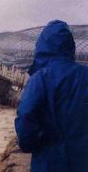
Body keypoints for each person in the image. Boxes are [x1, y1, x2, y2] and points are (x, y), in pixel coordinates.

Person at [15, 20, 88, 172]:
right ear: (70, 46)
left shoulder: (40, 78)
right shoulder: (85, 75)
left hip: (48, 161)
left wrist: (29, 143)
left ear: (42, 46)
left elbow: (25, 115)